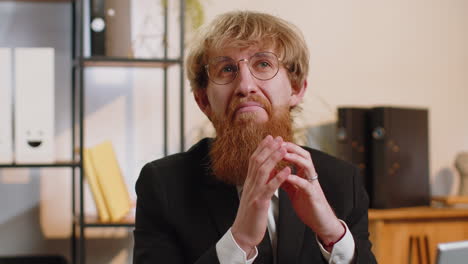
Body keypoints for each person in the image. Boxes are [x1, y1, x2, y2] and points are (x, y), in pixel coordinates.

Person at [133, 11, 376, 264]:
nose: (245, 85)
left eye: (263, 64)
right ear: (203, 100)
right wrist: (239, 241)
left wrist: (333, 235)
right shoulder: (163, 185)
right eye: (227, 69)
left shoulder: (342, 181)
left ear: (296, 88)